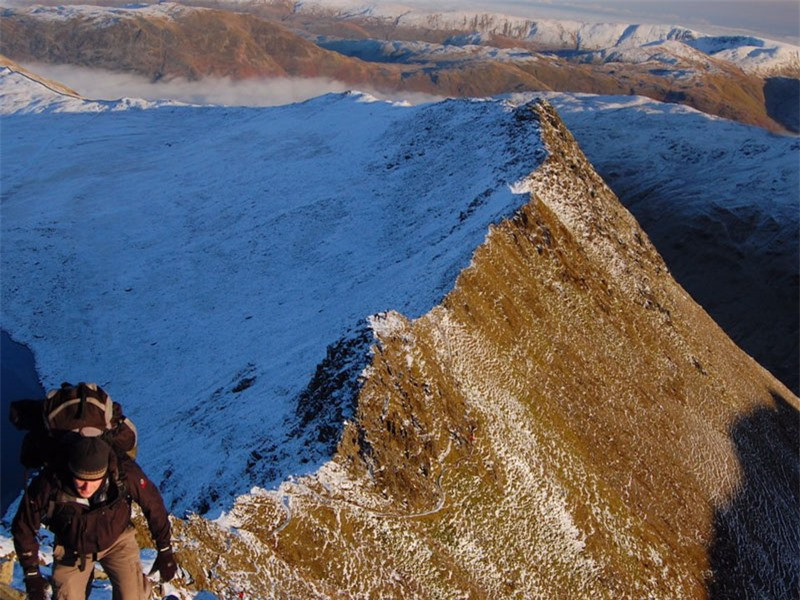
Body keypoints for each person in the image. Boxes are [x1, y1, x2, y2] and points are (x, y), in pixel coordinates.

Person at [12, 436, 177, 599]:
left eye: (94, 481)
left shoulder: (123, 472)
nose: (87, 487)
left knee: (132, 595)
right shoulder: (50, 483)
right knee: (67, 595)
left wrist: (165, 550)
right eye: (80, 480)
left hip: (117, 539)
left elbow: (153, 504)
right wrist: (32, 575)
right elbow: (24, 526)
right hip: (72, 544)